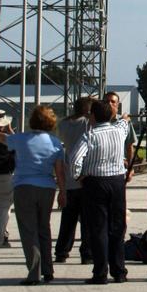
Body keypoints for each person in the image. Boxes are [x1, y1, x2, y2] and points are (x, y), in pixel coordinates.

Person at [0, 105, 65, 284]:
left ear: (32, 121)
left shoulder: (21, 139)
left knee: (28, 230)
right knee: (44, 228)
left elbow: (4, 139)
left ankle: (34, 273)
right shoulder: (55, 142)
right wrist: (62, 192)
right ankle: (48, 270)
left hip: (24, 187)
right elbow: (60, 171)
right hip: (47, 187)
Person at [70, 98, 131, 284]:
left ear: (93, 116)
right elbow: (124, 123)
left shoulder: (89, 135)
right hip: (117, 182)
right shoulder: (119, 131)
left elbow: (74, 159)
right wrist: (124, 118)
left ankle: (100, 272)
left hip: (95, 182)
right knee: (117, 227)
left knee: (98, 228)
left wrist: (77, 176)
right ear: (111, 114)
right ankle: (119, 271)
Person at [55, 96, 94, 264]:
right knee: (87, 219)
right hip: (85, 176)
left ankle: (61, 251)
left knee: (68, 219)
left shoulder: (63, 124)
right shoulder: (87, 124)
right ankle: (87, 253)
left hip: (69, 175)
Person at [0, 108, 15, 248]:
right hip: (5, 177)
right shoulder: (9, 139)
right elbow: (19, 147)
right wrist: (10, 129)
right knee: (3, 209)